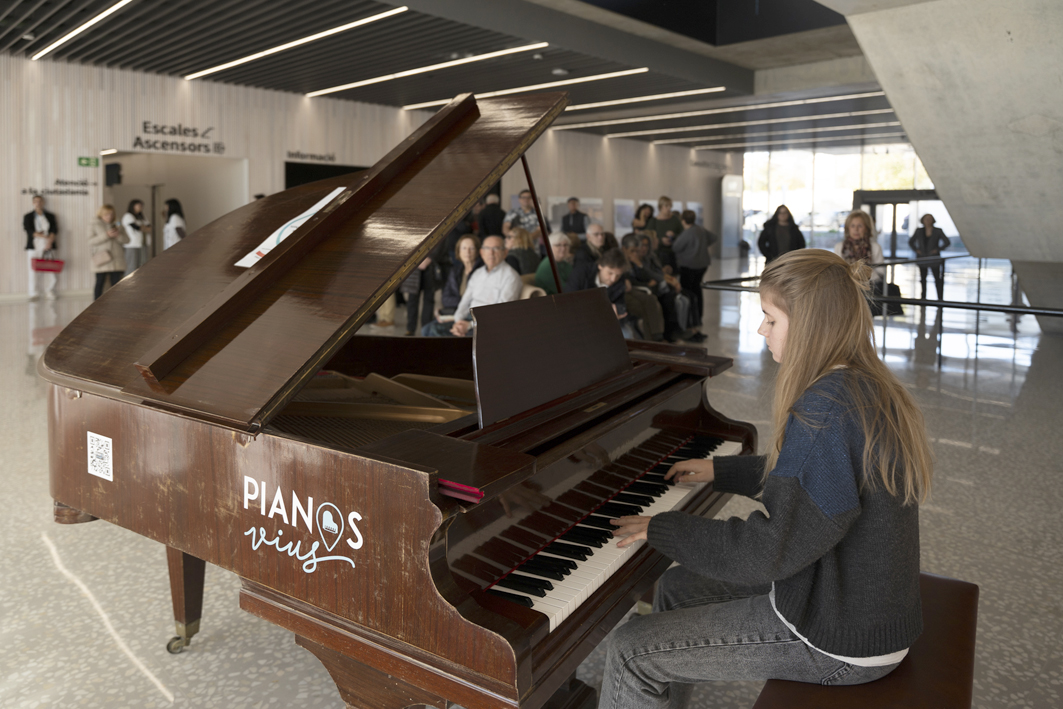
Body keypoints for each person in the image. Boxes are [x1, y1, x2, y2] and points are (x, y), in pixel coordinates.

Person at [602, 249, 933, 708]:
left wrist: (663, 527)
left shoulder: (825, 411)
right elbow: (813, 484)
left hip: (840, 636)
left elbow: (767, 552)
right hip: (857, 599)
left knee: (628, 650)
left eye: (769, 318)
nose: (761, 330)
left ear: (810, 324)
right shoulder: (860, 383)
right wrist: (722, 470)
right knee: (677, 588)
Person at [445, 236, 522, 337]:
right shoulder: (478, 273)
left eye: (496, 248)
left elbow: (501, 314)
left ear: (505, 253)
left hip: (490, 325)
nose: (491, 253)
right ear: (481, 253)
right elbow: (465, 301)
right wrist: (458, 321)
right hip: (469, 318)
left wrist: (469, 326)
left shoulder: (511, 277)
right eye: (487, 248)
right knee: (428, 330)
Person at [673, 210, 717, 343]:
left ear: (682, 220)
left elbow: (675, 247)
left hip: (689, 265)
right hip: (702, 265)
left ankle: (691, 320)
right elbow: (714, 237)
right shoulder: (701, 230)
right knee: (697, 290)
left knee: (688, 292)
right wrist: (702, 246)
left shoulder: (687, 233)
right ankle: (698, 317)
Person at [834, 211, 885, 291]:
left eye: (860, 226)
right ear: (848, 228)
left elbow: (880, 272)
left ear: (867, 228)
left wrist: (863, 276)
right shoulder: (839, 247)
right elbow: (836, 270)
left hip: (869, 288)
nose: (856, 229)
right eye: (853, 226)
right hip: (845, 287)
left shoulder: (875, 247)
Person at [88, 204, 129, 300]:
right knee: (100, 282)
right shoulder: (94, 224)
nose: (109, 217)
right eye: (106, 214)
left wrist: (118, 235)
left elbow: (127, 240)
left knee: (116, 282)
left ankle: (116, 302)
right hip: (102, 258)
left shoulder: (118, 224)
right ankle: (96, 303)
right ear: (101, 214)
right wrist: (106, 235)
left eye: (111, 214)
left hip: (116, 258)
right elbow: (90, 241)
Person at [23, 195, 59, 300]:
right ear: (33, 203)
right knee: (33, 269)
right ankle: (33, 292)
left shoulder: (50, 216)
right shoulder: (28, 216)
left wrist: (49, 240)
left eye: (40, 201)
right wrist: (42, 236)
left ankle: (49, 291)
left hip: (48, 245)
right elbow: (29, 230)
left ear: (43, 202)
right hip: (34, 245)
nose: (38, 203)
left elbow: (54, 229)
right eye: (35, 201)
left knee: (50, 268)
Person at [908, 214, 951, 300]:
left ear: (933, 220)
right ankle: (923, 297)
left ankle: (939, 298)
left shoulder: (938, 231)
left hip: (933, 258)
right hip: (922, 257)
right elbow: (911, 242)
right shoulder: (919, 231)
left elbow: (947, 242)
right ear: (923, 220)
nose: (928, 221)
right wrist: (917, 250)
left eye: (929, 219)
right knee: (923, 279)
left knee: (937, 278)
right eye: (926, 219)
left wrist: (938, 249)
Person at [648, 196, 682, 271]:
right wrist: (661, 241)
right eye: (666, 206)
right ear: (660, 207)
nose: (669, 208)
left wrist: (674, 235)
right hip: (659, 254)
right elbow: (648, 237)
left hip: (674, 254)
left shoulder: (675, 220)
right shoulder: (653, 221)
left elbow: (683, 236)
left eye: (670, 206)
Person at [121, 199, 151, 276]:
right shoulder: (128, 216)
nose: (141, 207)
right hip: (132, 244)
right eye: (139, 206)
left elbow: (149, 227)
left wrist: (143, 228)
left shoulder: (142, 217)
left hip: (142, 244)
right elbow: (137, 228)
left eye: (141, 206)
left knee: (143, 265)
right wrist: (143, 228)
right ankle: (127, 285)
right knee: (132, 266)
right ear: (133, 206)